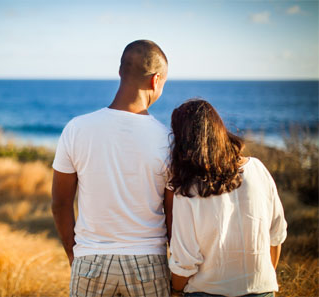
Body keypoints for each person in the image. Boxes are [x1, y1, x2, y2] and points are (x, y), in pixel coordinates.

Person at [52, 40, 171, 297]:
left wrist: (75, 253)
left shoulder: (76, 128)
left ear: (120, 72)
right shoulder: (168, 139)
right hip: (148, 262)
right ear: (156, 80)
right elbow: (174, 214)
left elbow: (60, 203)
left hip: (90, 259)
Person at [167, 99, 287, 297]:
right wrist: (261, 280)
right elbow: (276, 235)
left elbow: (185, 261)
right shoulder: (257, 169)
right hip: (261, 290)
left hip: (206, 292)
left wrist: (175, 291)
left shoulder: (188, 189)